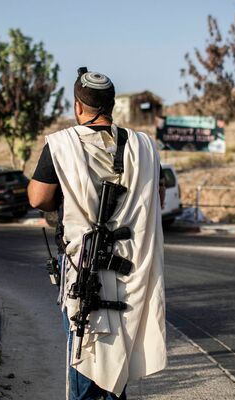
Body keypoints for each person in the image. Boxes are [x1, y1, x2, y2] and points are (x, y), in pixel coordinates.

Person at [28, 69, 167, 399]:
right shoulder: (144, 146)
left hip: (83, 266)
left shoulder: (61, 145)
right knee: (118, 352)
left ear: (78, 106)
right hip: (133, 267)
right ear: (112, 105)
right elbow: (157, 198)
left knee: (85, 349)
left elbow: (38, 198)